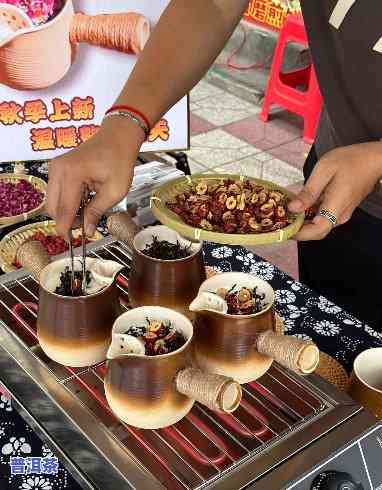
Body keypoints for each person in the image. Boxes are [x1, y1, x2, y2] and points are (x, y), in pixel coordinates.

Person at [48, 0, 382, 331]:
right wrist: (126, 122)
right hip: (338, 186)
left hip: (358, 177)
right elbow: (214, 4)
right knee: (336, 338)